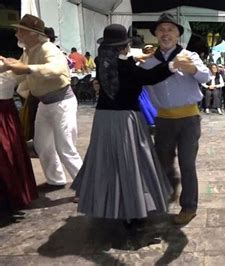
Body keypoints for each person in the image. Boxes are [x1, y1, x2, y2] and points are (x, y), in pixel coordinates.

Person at [71, 24, 176, 225]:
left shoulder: (103, 61)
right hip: (126, 119)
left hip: (103, 119)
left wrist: (137, 59)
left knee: (105, 160)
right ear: (123, 46)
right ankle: (132, 208)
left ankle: (107, 203)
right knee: (131, 163)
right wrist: (171, 66)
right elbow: (149, 77)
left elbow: (125, 65)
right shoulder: (127, 68)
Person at [141, 13, 210, 225]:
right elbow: (142, 84)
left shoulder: (190, 56)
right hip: (163, 120)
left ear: (178, 33)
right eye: (161, 30)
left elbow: (207, 77)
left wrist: (192, 69)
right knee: (162, 163)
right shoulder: (149, 62)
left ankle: (189, 206)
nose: (165, 33)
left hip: (189, 118)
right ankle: (161, 198)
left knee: (187, 163)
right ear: (155, 34)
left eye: (170, 29)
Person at [4, 14, 83, 188]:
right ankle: (56, 179)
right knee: (42, 145)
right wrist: (9, 68)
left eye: (20, 30)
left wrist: (25, 68)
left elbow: (56, 69)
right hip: (45, 103)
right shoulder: (29, 51)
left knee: (66, 147)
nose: (17, 33)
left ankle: (86, 186)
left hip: (62, 102)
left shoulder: (48, 48)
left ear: (32, 33)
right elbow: (20, 74)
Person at [0, 62, 38, 216]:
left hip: (5, 114)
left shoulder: (8, 63)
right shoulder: (9, 63)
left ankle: (12, 196)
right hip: (7, 114)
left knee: (7, 153)